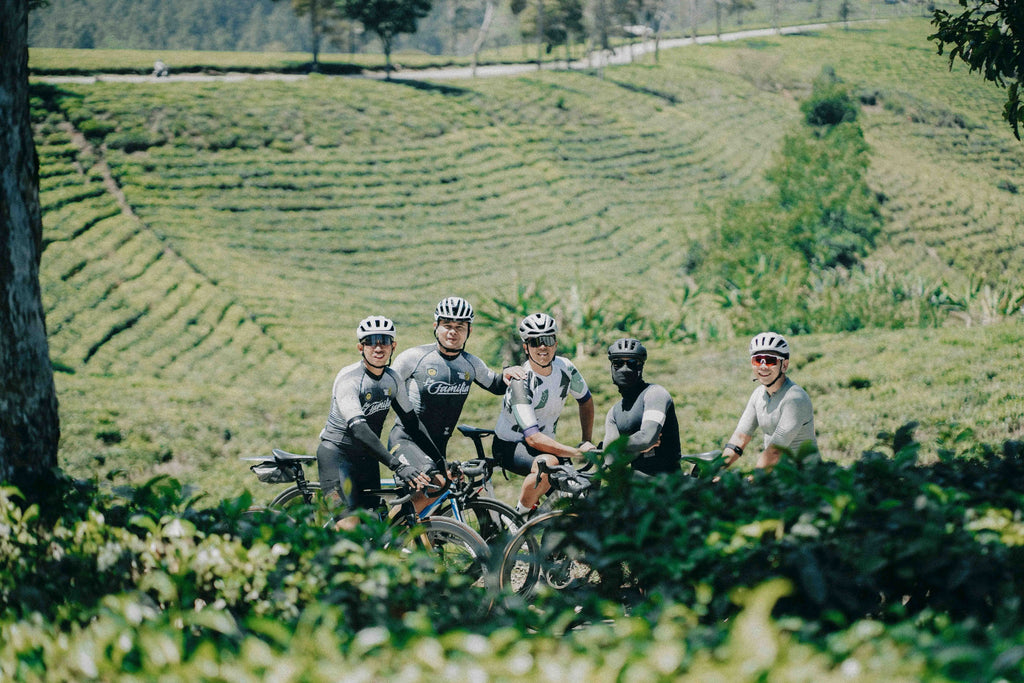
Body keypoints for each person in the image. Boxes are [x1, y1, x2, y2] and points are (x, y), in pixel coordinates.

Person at [316, 315, 443, 516]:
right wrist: (398, 466)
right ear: (361, 348)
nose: (378, 348)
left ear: (393, 346)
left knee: (374, 528)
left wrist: (441, 461)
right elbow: (359, 429)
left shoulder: (392, 379)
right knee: (349, 528)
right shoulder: (349, 379)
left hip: (367, 460)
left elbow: (412, 424)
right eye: (371, 342)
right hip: (337, 456)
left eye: (383, 342)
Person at [387, 296, 523, 469]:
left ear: (469, 331)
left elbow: (496, 385)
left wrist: (508, 372)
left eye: (460, 327)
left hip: (438, 446)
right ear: (436, 327)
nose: (453, 332)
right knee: (434, 484)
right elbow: (384, 390)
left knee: (446, 490)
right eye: (447, 326)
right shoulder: (412, 358)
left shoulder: (471, 364)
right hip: (407, 440)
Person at [493, 312, 596, 514]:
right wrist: (576, 452)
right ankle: (518, 522)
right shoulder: (521, 381)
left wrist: (586, 440)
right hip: (510, 446)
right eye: (535, 342)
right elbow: (532, 439)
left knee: (581, 494)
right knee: (547, 464)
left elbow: (586, 401)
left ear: (555, 343)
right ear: (526, 347)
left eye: (547, 339)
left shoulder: (566, 368)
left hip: (546, 448)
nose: (542, 346)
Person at [722, 331, 817, 472]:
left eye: (770, 360)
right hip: (777, 475)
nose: (763, 366)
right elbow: (740, 438)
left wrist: (753, 479)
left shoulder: (795, 399)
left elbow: (775, 451)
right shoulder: (758, 395)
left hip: (804, 478)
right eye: (757, 360)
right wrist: (717, 469)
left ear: (784, 365)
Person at [602, 338, 682, 475]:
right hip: (637, 485)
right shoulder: (614, 412)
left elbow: (647, 438)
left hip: (669, 484)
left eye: (632, 363)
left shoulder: (655, 394)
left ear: (641, 366)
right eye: (618, 363)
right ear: (612, 366)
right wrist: (638, 447)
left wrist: (621, 446)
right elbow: (610, 459)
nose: (625, 368)